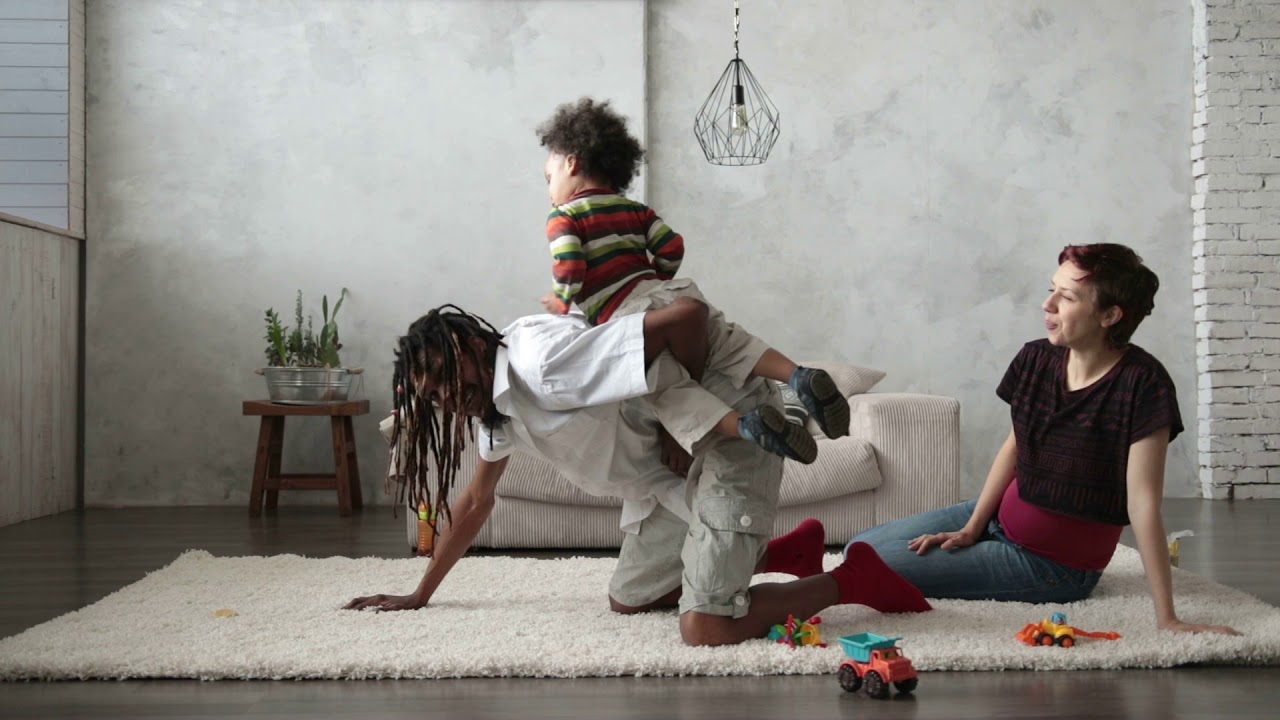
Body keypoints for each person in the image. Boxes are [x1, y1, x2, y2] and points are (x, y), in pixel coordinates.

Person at [345, 305, 931, 646]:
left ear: (473, 344)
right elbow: (476, 502)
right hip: (666, 485)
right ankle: (777, 553)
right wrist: (420, 593)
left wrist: (679, 426)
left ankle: (852, 579)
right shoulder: (496, 409)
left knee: (705, 627)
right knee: (628, 601)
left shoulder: (542, 364)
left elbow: (680, 324)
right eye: (434, 395)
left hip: (730, 435)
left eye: (446, 378)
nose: (447, 397)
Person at [844, 243, 1239, 636]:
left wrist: (1167, 617)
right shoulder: (1036, 360)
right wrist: (973, 525)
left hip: (1053, 568)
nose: (1047, 304)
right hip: (999, 519)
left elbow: (1143, 503)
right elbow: (1014, 448)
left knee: (871, 564)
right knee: (859, 547)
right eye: (1051, 289)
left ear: (1110, 315)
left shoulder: (1143, 385)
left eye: (1066, 296)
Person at [533, 97, 848, 464]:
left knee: (667, 390)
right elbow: (672, 245)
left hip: (629, 314)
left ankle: (748, 426)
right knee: (730, 342)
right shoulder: (635, 209)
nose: (549, 188)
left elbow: (570, 263)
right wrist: (660, 280)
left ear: (572, 163)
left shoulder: (563, 216)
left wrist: (561, 300)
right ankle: (798, 375)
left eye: (548, 177)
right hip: (670, 291)